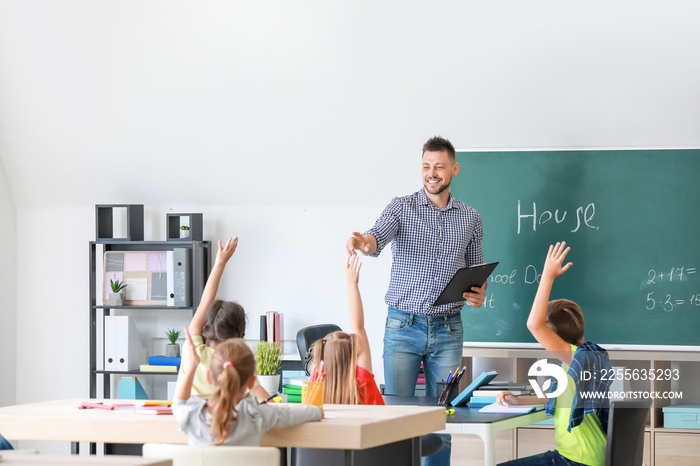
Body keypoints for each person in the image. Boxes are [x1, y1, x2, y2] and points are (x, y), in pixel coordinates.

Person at [346, 136, 487, 465]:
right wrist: (362, 242)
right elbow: (375, 238)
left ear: (454, 169)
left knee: (442, 418)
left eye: (439, 166)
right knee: (398, 418)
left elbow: (476, 272)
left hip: (449, 329)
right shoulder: (401, 207)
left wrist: (479, 294)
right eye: (426, 166)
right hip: (403, 327)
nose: (432, 173)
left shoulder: (470, 217)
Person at [496, 242, 612, 466]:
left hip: (578, 460)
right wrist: (517, 399)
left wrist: (547, 276)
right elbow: (556, 397)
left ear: (552, 337)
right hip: (585, 457)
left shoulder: (580, 359)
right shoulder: (581, 361)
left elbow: (534, 324)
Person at [173, 330, 322, 446]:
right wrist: (316, 410)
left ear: (209, 377)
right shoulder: (257, 415)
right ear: (251, 382)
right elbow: (311, 412)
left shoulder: (191, 415)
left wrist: (192, 365)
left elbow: (178, 403)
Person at [177, 237, 268, 400]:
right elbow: (269, 403)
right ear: (240, 334)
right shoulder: (239, 365)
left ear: (206, 329)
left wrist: (220, 262)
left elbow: (205, 301)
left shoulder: (194, 354)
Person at [310, 255, 384, 405]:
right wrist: (352, 286)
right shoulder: (362, 380)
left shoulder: (317, 379)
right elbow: (358, 327)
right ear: (353, 356)